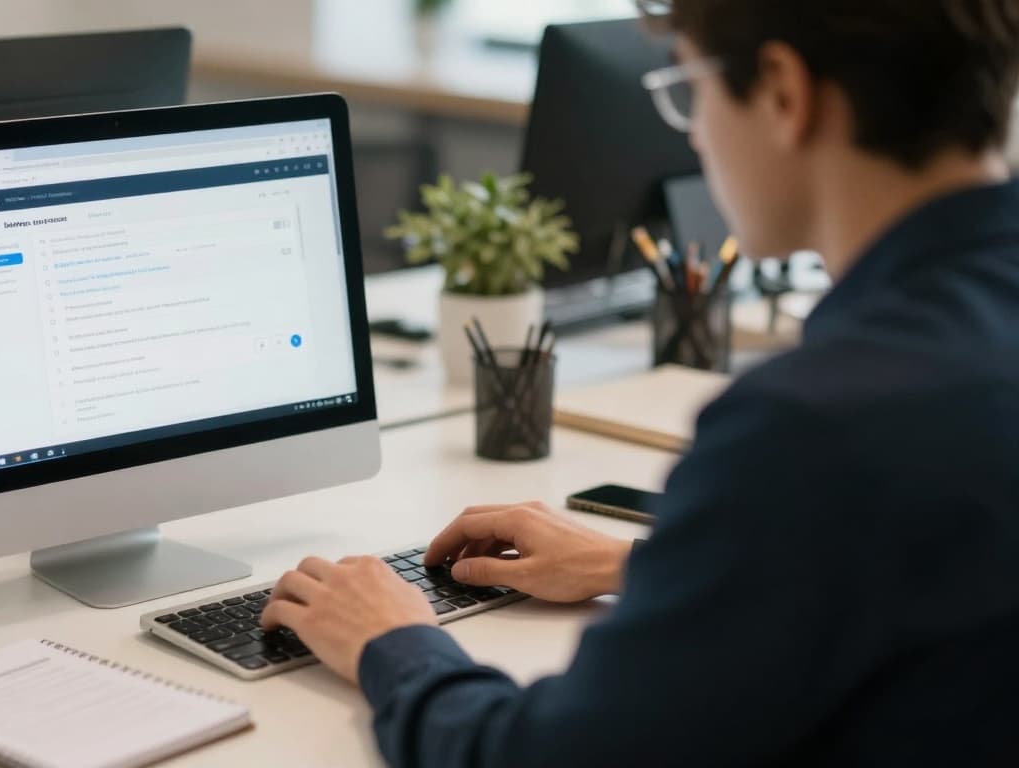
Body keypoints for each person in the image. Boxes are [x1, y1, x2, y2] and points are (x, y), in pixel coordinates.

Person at [259, 1, 1019, 765]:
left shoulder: (812, 425)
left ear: (786, 93)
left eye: (694, 92)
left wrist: (393, 641)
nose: (693, 133)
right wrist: (652, 569)